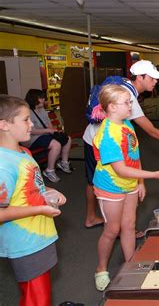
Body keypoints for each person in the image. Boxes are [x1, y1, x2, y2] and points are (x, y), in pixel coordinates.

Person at [83, 60, 159, 229]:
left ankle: (96, 218)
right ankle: (116, 225)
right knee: (108, 180)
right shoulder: (127, 95)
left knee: (94, 179)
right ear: (140, 77)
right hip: (102, 140)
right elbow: (152, 131)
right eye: (152, 78)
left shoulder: (125, 86)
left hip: (97, 137)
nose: (155, 82)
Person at [93, 85, 159, 291]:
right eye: (126, 103)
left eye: (131, 101)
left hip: (130, 183)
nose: (131, 106)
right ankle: (101, 269)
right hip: (110, 186)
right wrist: (155, 175)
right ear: (111, 107)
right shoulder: (107, 134)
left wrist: (141, 182)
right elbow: (121, 170)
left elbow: (134, 155)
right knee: (112, 230)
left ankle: (130, 263)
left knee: (129, 226)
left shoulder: (127, 124)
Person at [0, 95, 67, 306]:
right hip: (24, 242)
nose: (31, 124)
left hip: (38, 238)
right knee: (37, 298)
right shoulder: (3, 164)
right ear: (4, 125)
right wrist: (40, 209)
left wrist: (49, 190)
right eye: (26, 120)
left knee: (41, 294)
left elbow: (31, 185)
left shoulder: (23, 151)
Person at [23, 89, 73, 183]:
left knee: (67, 138)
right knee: (56, 144)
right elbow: (31, 131)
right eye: (40, 98)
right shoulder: (28, 112)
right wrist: (48, 130)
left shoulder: (42, 110)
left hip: (45, 134)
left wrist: (54, 131)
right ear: (33, 99)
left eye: (43, 98)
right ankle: (49, 170)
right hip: (32, 138)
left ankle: (64, 162)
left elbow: (49, 124)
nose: (43, 100)